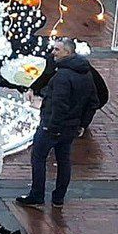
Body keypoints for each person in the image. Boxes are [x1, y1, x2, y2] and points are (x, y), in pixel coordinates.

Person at [16, 37, 104, 208]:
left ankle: (37, 195)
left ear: (68, 52)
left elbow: (59, 105)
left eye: (57, 50)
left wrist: (51, 127)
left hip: (53, 127)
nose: (53, 53)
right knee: (64, 160)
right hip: (71, 128)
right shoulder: (85, 73)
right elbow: (93, 102)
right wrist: (82, 124)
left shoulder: (63, 76)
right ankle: (58, 198)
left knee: (38, 157)